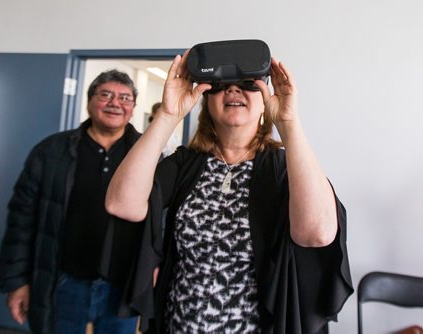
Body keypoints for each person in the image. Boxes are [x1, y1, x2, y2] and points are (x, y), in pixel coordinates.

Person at [105, 49, 354, 333]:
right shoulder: (186, 164)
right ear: (206, 100)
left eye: (248, 82)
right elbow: (121, 204)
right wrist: (168, 115)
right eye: (221, 85)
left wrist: (288, 124)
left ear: (265, 99)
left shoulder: (284, 169)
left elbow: (318, 234)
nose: (233, 89)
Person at [0, 69, 143, 334]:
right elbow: (21, 218)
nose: (115, 103)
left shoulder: (146, 154)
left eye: (125, 98)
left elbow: (161, 222)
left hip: (122, 285)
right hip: (63, 282)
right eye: (105, 95)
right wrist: (17, 281)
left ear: (132, 107)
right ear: (89, 101)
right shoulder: (50, 151)